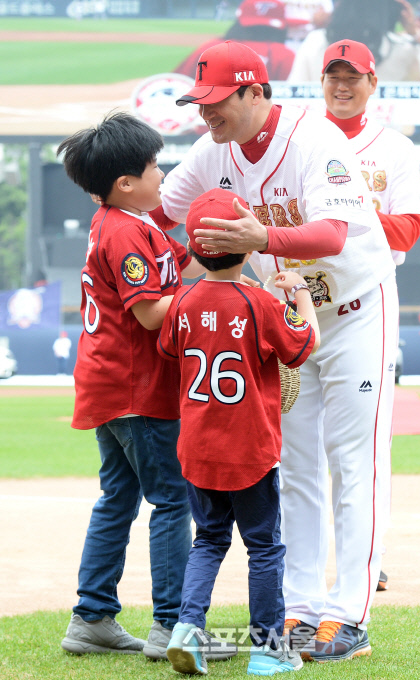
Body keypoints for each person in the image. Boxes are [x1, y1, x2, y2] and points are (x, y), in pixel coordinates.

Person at [158, 40, 398, 662]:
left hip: (353, 311)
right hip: (283, 322)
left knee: (353, 462)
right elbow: (163, 212)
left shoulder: (316, 138)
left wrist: (262, 235)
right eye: (199, 100)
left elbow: (331, 234)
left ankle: (348, 616)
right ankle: (299, 610)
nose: (205, 113)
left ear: (255, 92)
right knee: (291, 465)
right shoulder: (212, 151)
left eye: (216, 101)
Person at [56, 113, 235, 662]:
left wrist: (230, 270)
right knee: (172, 498)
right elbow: (153, 312)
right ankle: (172, 627)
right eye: (153, 165)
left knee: (118, 498)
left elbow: (183, 263)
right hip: (137, 390)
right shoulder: (128, 228)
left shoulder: (128, 222)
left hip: (110, 385)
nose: (163, 172)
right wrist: (210, 300)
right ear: (125, 182)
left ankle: (92, 617)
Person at [158, 188, 319, 675]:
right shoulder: (259, 303)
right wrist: (300, 296)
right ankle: (269, 650)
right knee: (264, 547)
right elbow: (302, 346)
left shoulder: (182, 301)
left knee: (207, 541)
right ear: (247, 245)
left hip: (199, 450)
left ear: (194, 246)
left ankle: (187, 630)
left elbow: (169, 351)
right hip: (250, 451)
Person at [319, 38, 420, 593]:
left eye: (353, 77)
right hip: (301, 308)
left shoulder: (395, 148)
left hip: (364, 306)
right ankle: (304, 565)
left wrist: (337, 221)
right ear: (322, 81)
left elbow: (407, 229)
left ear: (372, 84)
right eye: (333, 76)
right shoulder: (302, 142)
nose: (342, 86)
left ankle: (366, 557)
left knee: (361, 447)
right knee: (300, 453)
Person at [288, 0, 420, 82]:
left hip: (322, 125)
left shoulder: (316, 40)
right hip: (383, 127)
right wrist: (414, 32)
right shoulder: (401, 47)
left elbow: (296, 85)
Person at [174, 0, 296, 81]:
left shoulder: (211, 48)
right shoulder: (285, 55)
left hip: (210, 118)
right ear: (281, 27)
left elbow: (176, 83)